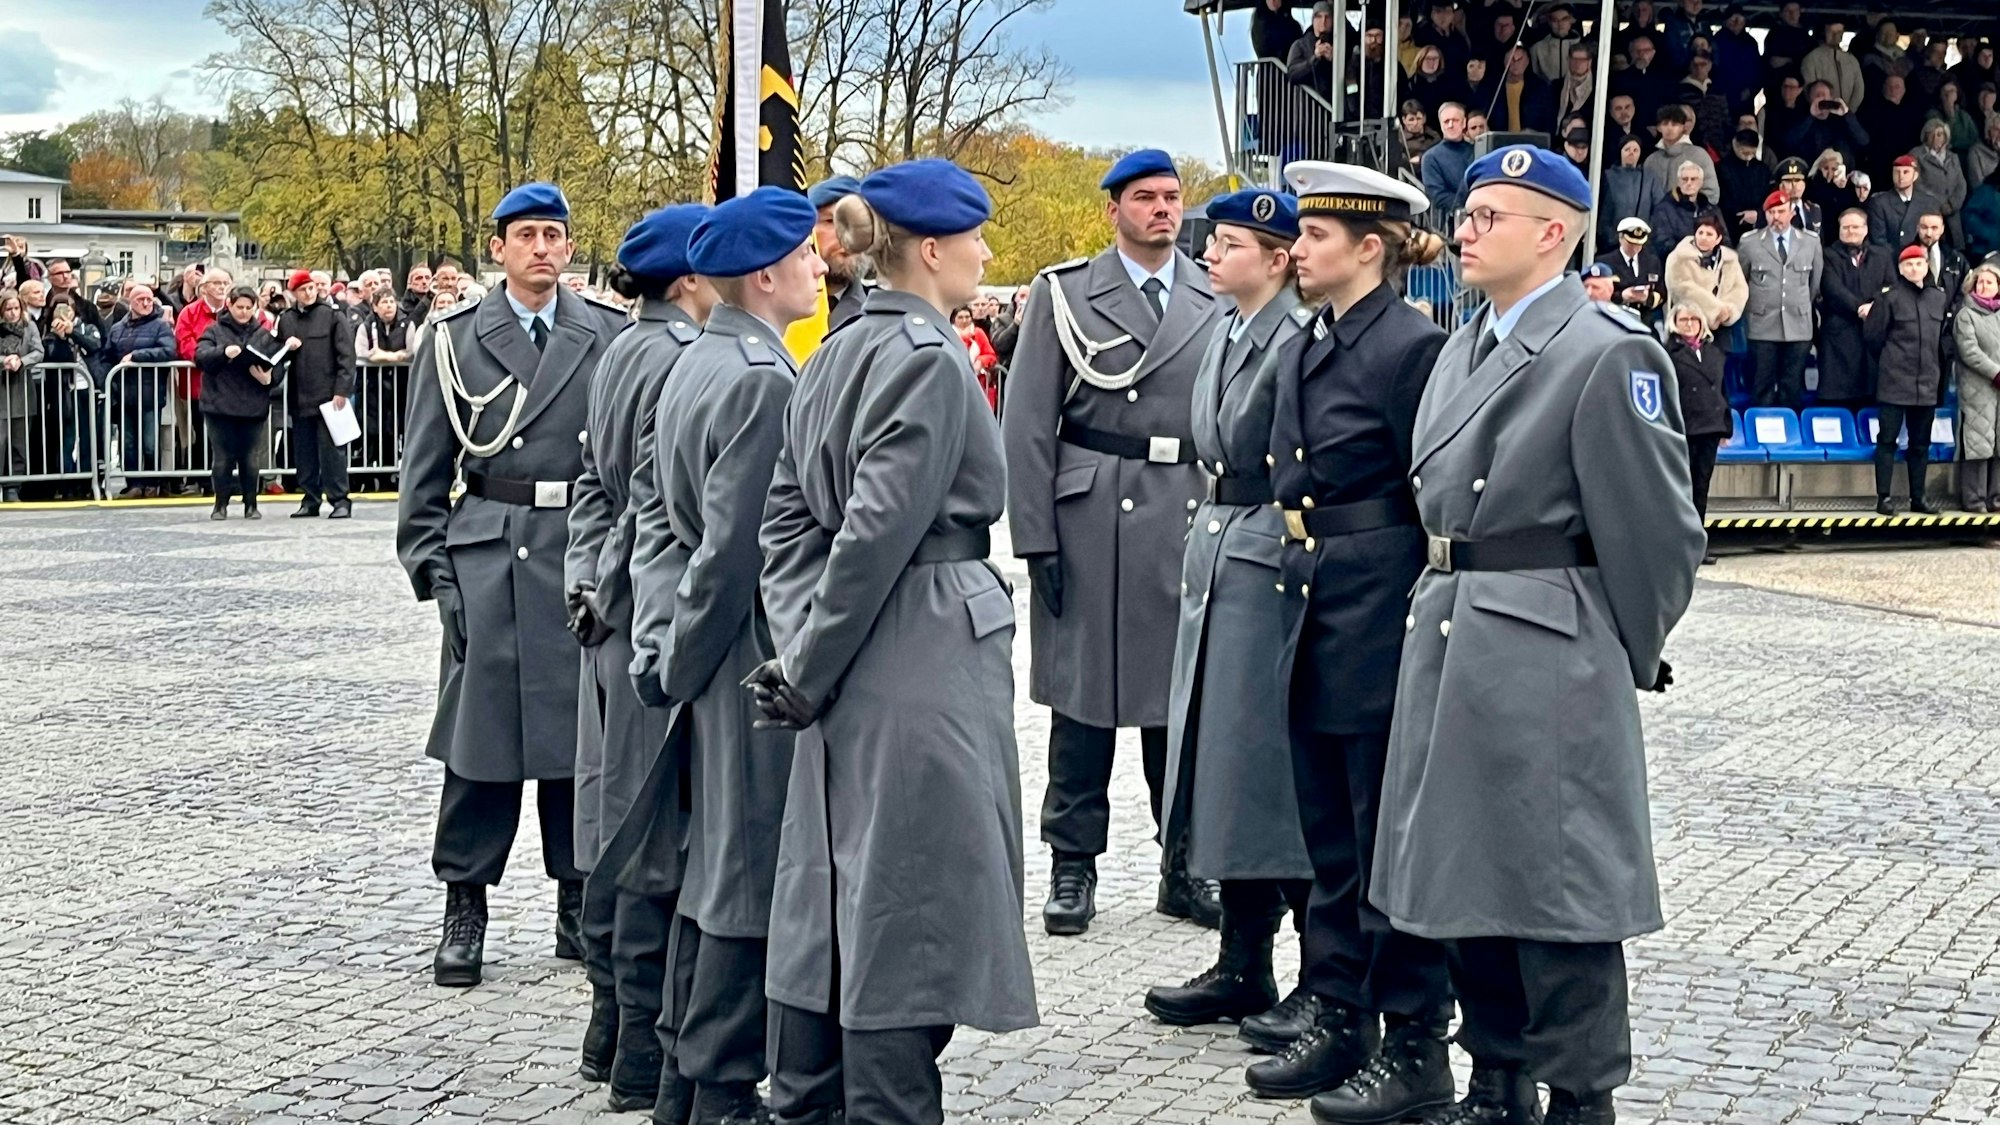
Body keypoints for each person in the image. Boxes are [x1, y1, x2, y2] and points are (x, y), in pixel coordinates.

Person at [1380, 143, 1704, 1125]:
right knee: (1462, 877)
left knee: (1559, 892)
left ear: (1552, 234)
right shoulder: (1460, 344)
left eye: (1489, 217)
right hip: (1449, 632)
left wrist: (1607, 649)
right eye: (1465, 214)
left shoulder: (1605, 351)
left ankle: (1577, 1095)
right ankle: (1496, 1077)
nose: (1463, 230)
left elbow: (1658, 537)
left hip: (1543, 644)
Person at [751, 158, 1038, 1125]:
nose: (987, 253)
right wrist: (812, 663)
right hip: (915, 650)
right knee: (905, 914)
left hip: (855, 650)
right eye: (975, 238)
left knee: (837, 899)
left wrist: (800, 647)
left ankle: (812, 1103)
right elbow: (877, 532)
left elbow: (788, 524)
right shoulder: (925, 355)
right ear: (929, 248)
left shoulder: (833, 349)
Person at [1236, 161, 1455, 1121]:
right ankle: (1338, 1007)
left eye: (1316, 237)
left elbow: (1429, 488)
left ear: (1371, 248)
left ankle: (1412, 1035)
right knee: (1327, 824)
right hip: (1312, 593)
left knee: (1379, 831)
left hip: (1376, 594)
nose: (1300, 250)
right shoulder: (1308, 338)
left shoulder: (1412, 347)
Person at [619, 186, 823, 1125]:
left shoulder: (699, 359)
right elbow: (733, 552)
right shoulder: (762, 379)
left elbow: (658, 533)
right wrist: (691, 657)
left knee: (711, 876)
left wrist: (661, 647)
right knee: (743, 881)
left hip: (700, 652)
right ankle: (722, 1089)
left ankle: (681, 1086)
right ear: (767, 274)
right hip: (744, 654)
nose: (820, 264)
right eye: (807, 253)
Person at [396, 181, 631, 989]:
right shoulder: (456, 338)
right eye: (525, 234)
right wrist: (435, 571)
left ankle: (577, 900)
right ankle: (465, 907)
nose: (541, 248)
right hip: (489, 553)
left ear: (569, 248)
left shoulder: (606, 332)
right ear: (497, 248)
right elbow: (424, 470)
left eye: (554, 235)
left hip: (577, 546)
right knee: (479, 747)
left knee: (580, 741)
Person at [1002, 148, 1223, 938]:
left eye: (1171, 197)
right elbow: (1027, 422)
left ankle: (1187, 859)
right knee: (1083, 701)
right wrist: (1035, 537)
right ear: (1113, 211)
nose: (1163, 209)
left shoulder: (1211, 291)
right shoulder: (1068, 293)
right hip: (1091, 509)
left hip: (1183, 506)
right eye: (1144, 198)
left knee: (1180, 702)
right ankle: (1072, 863)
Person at [1143, 190, 1314, 1038]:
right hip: (1219, 543)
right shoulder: (1228, 324)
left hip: (1263, 549)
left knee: (1268, 768)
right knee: (1220, 759)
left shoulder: (1293, 336)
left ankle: (1315, 969)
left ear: (1280, 258)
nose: (1211, 254)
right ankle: (1243, 958)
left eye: (1234, 243)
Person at [560, 203, 712, 1115]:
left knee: (613, 816)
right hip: (647, 617)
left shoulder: (621, 348)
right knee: (651, 830)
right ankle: (637, 1044)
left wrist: (583, 582)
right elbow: (644, 507)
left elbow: (590, 486)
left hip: (609, 617)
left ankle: (611, 1023)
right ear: (691, 277)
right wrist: (613, 584)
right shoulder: (679, 359)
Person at [1865, 243, 1950, 515]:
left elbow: (1942, 340)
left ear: (1927, 267)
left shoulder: (1938, 297)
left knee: (1920, 444)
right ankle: (1884, 498)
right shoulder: (1889, 298)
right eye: (1909, 265)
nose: (1915, 269)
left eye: (1919, 264)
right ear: (1901, 269)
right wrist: (1891, 362)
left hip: (1927, 382)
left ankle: (1918, 497)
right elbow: (1873, 337)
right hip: (1894, 381)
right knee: (1887, 441)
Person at [193, 286, 282, 521]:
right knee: (222, 456)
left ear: (255, 308)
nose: (243, 312)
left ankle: (251, 504)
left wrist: (270, 378)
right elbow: (200, 356)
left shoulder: (263, 332)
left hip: (253, 403)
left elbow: (277, 362)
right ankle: (220, 504)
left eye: (248, 308)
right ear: (229, 306)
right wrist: (223, 352)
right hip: (219, 403)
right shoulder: (214, 330)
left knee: (250, 457)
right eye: (239, 307)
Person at [277, 271, 358, 519]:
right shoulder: (286, 319)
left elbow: (346, 356)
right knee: (304, 452)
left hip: (328, 396)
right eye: (303, 289)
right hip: (300, 396)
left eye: (311, 288)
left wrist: (342, 390)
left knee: (332, 451)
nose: (309, 293)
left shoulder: (333, 316)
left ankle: (340, 499)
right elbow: (278, 355)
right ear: (293, 293)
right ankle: (310, 498)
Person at [1739, 191, 1822, 410]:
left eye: (1781, 212)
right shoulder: (1750, 243)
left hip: (1798, 324)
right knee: (1762, 383)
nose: (1776, 217)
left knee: (1792, 385)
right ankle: (1763, 431)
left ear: (1792, 212)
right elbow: (1741, 282)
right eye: (1771, 212)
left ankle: (1789, 436)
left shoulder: (1811, 242)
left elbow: (1814, 284)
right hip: (1762, 323)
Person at [1817, 208, 1892, 409]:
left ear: (1866, 229)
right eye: (1846, 227)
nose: (1851, 231)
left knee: (1871, 395)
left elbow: (1890, 287)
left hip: (1873, 330)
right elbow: (1832, 288)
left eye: (1856, 227)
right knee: (1839, 398)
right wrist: (1860, 308)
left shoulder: (1882, 255)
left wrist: (1874, 307)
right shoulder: (1827, 255)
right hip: (1839, 333)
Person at [107, 285, 179, 495]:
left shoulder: (160, 326)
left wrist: (137, 356)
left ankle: (152, 482)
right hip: (124, 394)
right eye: (141, 299)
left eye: (149, 299)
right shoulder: (118, 328)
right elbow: (108, 355)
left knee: (150, 442)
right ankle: (134, 483)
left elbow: (168, 351)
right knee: (127, 443)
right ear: (130, 302)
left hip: (149, 394)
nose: (146, 303)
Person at [1666, 304, 1730, 526]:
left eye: (1694, 319)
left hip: (1711, 426)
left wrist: (1726, 427)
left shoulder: (1714, 352)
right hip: (1685, 427)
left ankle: (1698, 540)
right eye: (1684, 319)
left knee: (1702, 486)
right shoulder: (1668, 354)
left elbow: (1722, 391)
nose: (1690, 323)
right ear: (1675, 323)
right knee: (1683, 486)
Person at [1954, 263, 2000, 512]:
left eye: (1990, 282)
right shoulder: (1966, 315)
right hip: (1977, 389)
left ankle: (1997, 498)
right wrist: (1996, 372)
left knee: (1999, 444)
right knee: (1978, 445)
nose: (1984, 286)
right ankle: (1974, 500)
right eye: (1980, 282)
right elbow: (1969, 351)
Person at [1664, 211, 1747, 337]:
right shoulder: (1679, 257)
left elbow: (1740, 289)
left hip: (1722, 328)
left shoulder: (1729, 260)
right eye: (1700, 233)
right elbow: (1682, 289)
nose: (1703, 237)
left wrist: (1728, 311)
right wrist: (1716, 310)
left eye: (1709, 234)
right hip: (1689, 326)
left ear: (1718, 239)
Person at [808, 175, 869, 330]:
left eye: (859, 223)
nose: (848, 234)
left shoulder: (880, 315)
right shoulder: (774, 307)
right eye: (831, 221)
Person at [0, 290, 42, 503]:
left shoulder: (29, 327)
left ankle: (13, 487)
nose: (13, 313)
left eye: (16, 308)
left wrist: (21, 361)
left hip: (22, 390)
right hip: (1, 391)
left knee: (20, 443)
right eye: (8, 309)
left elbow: (38, 351)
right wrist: (3, 361)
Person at [1642, 104, 1719, 203]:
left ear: (1684, 127)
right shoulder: (1651, 160)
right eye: (1665, 123)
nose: (1669, 128)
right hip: (1658, 217)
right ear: (1659, 127)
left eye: (1674, 124)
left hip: (1691, 216)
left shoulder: (1699, 155)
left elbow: (1711, 193)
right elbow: (1644, 197)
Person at [1599, 136, 1665, 251]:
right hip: (1613, 244)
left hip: (1643, 242)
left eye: (1635, 150)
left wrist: (1648, 237)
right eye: (1627, 149)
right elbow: (1603, 211)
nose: (1631, 153)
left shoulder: (1650, 178)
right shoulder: (1608, 176)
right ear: (1620, 151)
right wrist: (1611, 238)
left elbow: (1659, 210)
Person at [1911, 120, 1969, 248]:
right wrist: (1938, 204)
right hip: (1928, 212)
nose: (1936, 138)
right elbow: (1916, 184)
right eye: (1932, 134)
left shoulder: (1953, 157)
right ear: (1925, 135)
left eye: (1940, 134)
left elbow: (1961, 184)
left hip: (1952, 213)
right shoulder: (1916, 155)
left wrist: (1952, 204)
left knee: (1956, 249)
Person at [1597, 217, 1668, 320]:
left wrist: (1647, 298)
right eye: (1630, 243)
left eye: (1638, 244)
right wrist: (1622, 296)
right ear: (1621, 238)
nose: (1635, 248)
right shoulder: (1605, 262)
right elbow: (1597, 294)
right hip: (1614, 317)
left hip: (1644, 319)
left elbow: (1661, 292)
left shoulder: (1652, 262)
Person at [1867, 156, 1942, 249]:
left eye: (1905, 172)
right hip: (1890, 259)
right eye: (1896, 172)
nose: (1900, 177)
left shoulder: (1929, 202)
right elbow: (1878, 240)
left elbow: (1934, 236)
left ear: (1915, 175)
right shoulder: (1880, 203)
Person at [1647, 160, 1711, 261]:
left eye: (1693, 179)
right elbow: (1662, 243)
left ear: (1701, 183)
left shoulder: (1710, 209)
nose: (1689, 183)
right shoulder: (1664, 209)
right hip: (1678, 264)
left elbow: (1725, 240)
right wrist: (1693, 254)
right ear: (1678, 182)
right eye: (1685, 179)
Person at [1420, 103, 1474, 214]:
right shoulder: (1430, 158)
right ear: (1441, 124)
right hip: (1448, 223)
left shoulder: (1478, 151)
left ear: (1464, 123)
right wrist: (1470, 206)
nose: (1450, 125)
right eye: (1446, 121)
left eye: (1455, 120)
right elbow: (1438, 196)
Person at [1716, 130, 1770, 239]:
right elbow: (1722, 200)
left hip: (1759, 225)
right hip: (1731, 226)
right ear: (1735, 144)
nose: (1748, 157)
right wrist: (1741, 215)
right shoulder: (1721, 169)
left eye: (1752, 153)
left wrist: (1758, 214)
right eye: (1745, 153)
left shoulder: (1763, 169)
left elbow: (1767, 196)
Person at [1802, 19, 1864, 111]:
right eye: (1831, 31)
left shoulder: (1851, 59)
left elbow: (1859, 88)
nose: (1835, 35)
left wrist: (1849, 110)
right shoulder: (1812, 59)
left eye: (1839, 32)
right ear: (1824, 33)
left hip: (1847, 114)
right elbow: (1809, 89)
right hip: (1823, 113)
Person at [1804, 150, 1860, 244]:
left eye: (1834, 169)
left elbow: (1851, 207)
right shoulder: (1811, 184)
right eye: (1826, 168)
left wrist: (1841, 188)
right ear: (1820, 168)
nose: (1830, 172)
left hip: (1840, 233)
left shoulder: (1847, 186)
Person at [951, 304, 999, 409]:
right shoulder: (949, 333)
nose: (964, 320)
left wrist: (980, 361)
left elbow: (991, 354)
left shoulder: (978, 333)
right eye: (960, 317)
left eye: (967, 317)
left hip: (979, 382)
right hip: (955, 381)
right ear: (954, 319)